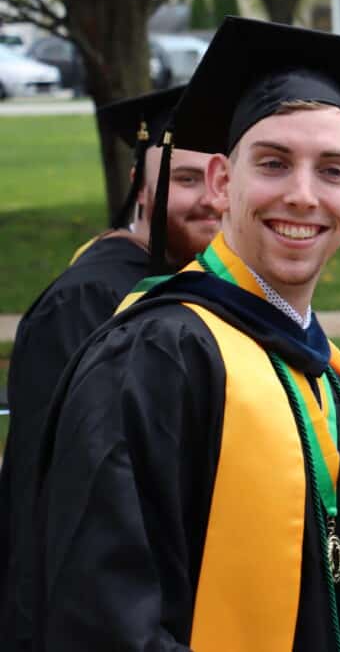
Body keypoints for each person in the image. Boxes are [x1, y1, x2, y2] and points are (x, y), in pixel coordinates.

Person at [29, 16, 340, 651]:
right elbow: (105, 619)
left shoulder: (333, 381)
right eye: (273, 163)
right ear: (221, 181)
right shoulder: (154, 355)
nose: (301, 195)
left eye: (331, 170)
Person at [0, 86, 218, 649]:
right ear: (139, 187)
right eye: (185, 179)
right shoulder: (89, 299)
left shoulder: (204, 292)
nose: (210, 201)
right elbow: (59, 497)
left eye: (220, 180)